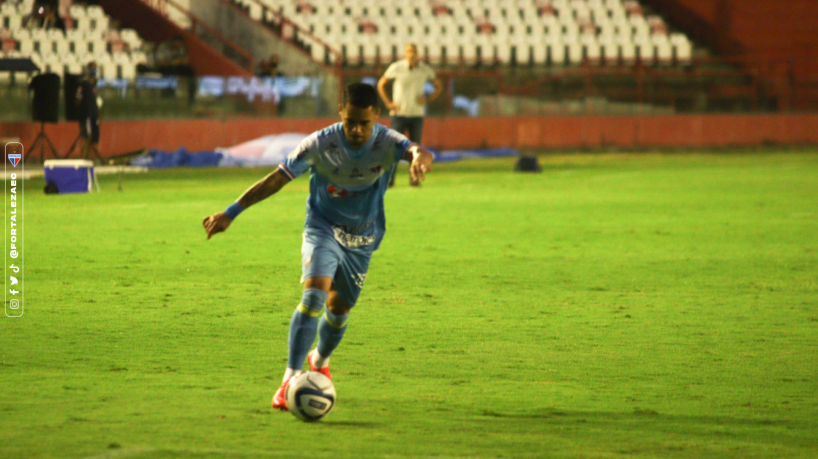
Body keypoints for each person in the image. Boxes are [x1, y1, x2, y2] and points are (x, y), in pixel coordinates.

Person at [202, 83, 434, 412]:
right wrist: (231, 212)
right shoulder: (319, 143)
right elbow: (276, 178)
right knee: (313, 297)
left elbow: (419, 150)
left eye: (363, 123)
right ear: (341, 111)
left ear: (376, 117)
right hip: (322, 227)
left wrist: (418, 160)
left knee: (339, 310)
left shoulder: (387, 141)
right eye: (350, 121)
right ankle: (289, 379)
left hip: (362, 237)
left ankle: (319, 359)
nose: (356, 129)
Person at [377, 43, 442, 187]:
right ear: (405, 54)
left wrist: (428, 98)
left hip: (416, 114)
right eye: (408, 51)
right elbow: (381, 84)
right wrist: (388, 103)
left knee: (415, 150)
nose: (411, 54)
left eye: (413, 51)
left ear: (417, 54)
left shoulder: (425, 69)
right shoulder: (397, 67)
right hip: (399, 114)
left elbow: (438, 85)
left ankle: (414, 178)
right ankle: (390, 180)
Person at [76, 62, 100, 160]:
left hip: (93, 113)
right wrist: (83, 109)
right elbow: (78, 98)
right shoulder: (84, 83)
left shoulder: (94, 83)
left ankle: (88, 158)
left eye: (95, 68)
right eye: (92, 68)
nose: (94, 71)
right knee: (87, 137)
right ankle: (83, 158)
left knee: (93, 138)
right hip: (87, 114)